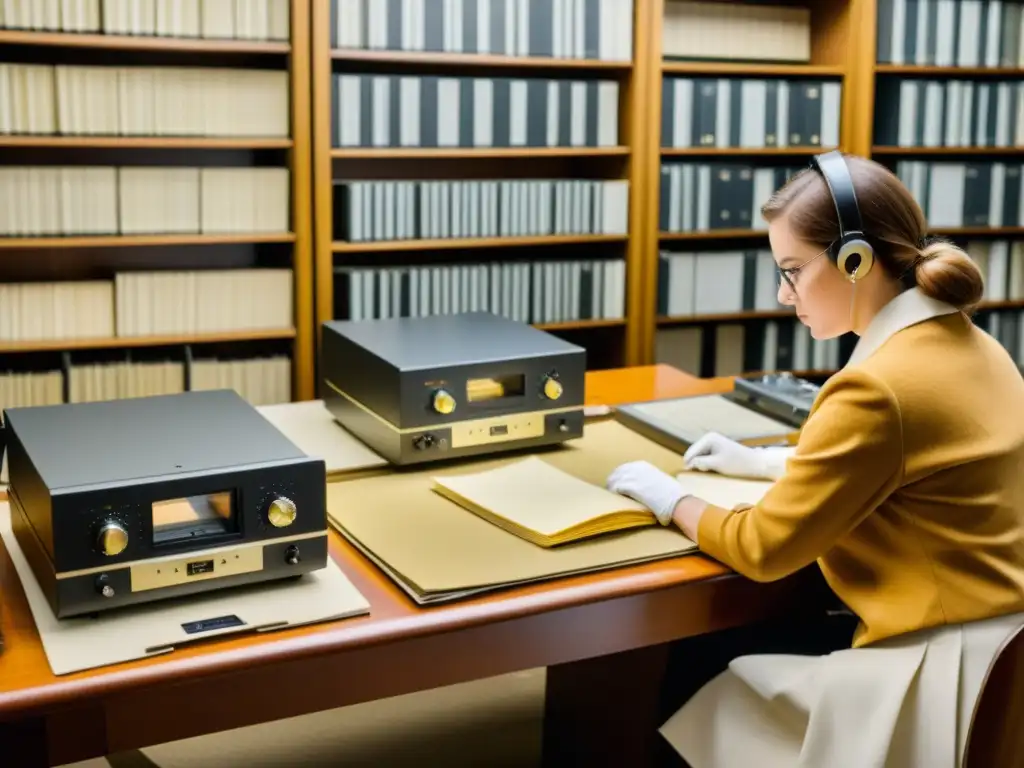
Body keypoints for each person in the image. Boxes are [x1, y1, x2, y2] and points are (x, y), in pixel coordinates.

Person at [606, 151, 1024, 768]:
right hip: (1000, 653)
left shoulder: (876, 387)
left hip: (935, 670)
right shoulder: (976, 343)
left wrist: (670, 498)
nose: (783, 293)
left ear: (855, 261)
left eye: (794, 270)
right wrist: (769, 462)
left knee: (699, 662)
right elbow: (913, 466)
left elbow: (764, 547)